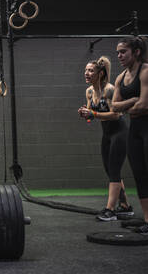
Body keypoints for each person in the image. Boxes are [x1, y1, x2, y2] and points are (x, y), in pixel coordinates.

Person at [78, 56, 132, 221]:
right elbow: (91, 116)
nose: (86, 73)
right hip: (107, 133)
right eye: (86, 70)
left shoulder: (109, 90)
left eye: (90, 70)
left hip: (120, 132)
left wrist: (93, 114)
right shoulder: (89, 92)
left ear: (100, 74)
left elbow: (116, 114)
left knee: (114, 170)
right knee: (110, 170)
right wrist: (85, 114)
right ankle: (125, 206)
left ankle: (110, 210)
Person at [111, 36, 148, 234]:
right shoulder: (120, 77)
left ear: (137, 52)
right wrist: (133, 101)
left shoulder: (146, 71)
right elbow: (114, 106)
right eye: (117, 52)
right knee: (140, 174)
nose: (119, 56)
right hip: (135, 130)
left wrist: (130, 105)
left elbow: (144, 104)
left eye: (123, 52)